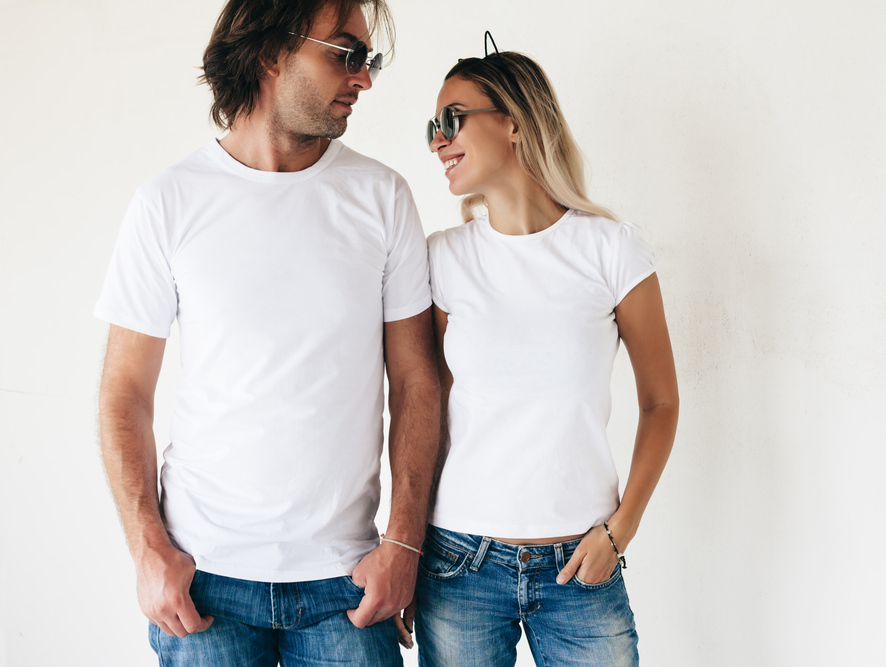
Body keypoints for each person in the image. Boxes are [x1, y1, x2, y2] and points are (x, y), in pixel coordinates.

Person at [94, 1, 439, 664]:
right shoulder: (169, 201)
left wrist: (402, 543)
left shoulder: (382, 197)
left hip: (347, 584)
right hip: (204, 583)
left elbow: (418, 383)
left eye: (368, 60)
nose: (363, 79)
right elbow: (124, 392)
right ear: (271, 52)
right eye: (346, 53)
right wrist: (148, 551)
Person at [403, 38, 680, 666]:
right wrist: (409, 548)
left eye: (452, 118)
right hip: (459, 564)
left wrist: (621, 529)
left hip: (582, 567)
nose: (437, 140)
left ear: (515, 122)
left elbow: (661, 402)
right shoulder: (442, 257)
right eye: (432, 127)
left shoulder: (613, 250)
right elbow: (426, 408)